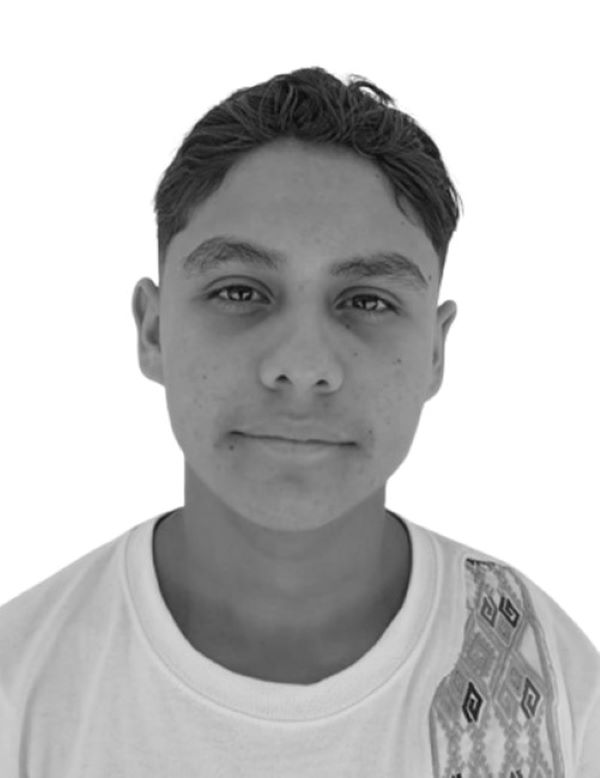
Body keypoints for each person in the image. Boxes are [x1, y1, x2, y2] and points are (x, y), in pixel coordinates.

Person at [1, 66, 598, 777]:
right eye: (240, 291)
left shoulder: (555, 687)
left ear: (435, 352)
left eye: (367, 301)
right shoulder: (20, 689)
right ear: (154, 331)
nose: (304, 364)